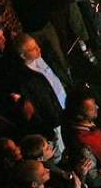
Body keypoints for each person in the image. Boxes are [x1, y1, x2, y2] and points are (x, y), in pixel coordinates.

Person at [13, 33, 67, 164]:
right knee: (60, 151)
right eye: (33, 49)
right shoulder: (25, 80)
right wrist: (48, 130)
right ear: (23, 55)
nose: (38, 49)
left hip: (64, 106)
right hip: (54, 119)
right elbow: (34, 110)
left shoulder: (42, 57)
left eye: (36, 45)